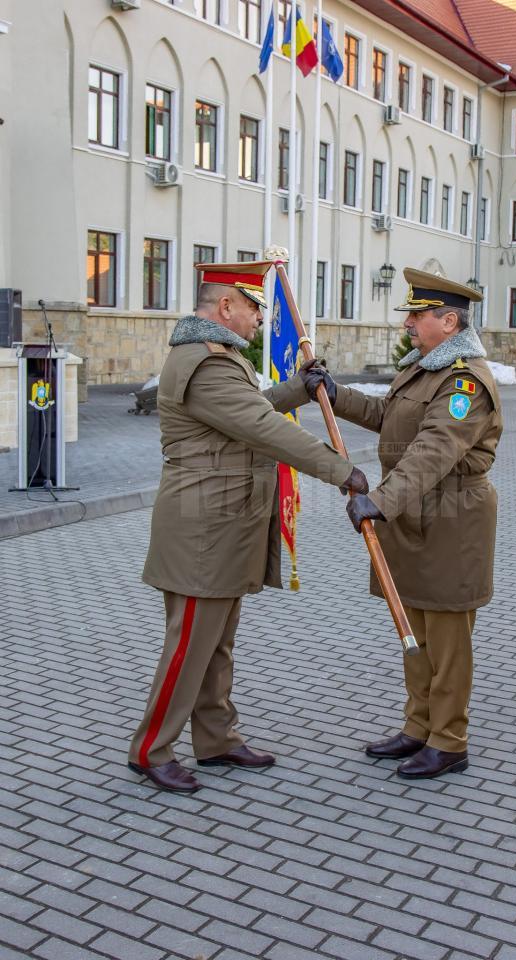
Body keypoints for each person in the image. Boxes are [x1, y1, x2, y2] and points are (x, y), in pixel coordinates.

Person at [128, 261, 368, 794]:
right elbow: (259, 428)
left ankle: (215, 739)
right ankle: (150, 750)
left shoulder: (218, 358)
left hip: (223, 525)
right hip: (202, 530)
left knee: (215, 645)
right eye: (255, 308)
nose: (261, 318)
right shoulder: (205, 363)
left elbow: (249, 409)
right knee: (189, 644)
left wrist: (297, 391)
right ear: (225, 308)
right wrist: (339, 469)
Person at [307, 269, 503, 779]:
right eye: (410, 314)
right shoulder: (422, 369)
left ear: (449, 320)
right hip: (414, 517)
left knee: (447, 638)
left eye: (418, 315)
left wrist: (380, 500)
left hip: (451, 522)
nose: (409, 323)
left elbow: (434, 449)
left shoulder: (464, 380)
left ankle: (449, 740)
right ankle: (418, 728)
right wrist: (333, 391)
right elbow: (388, 416)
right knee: (412, 631)